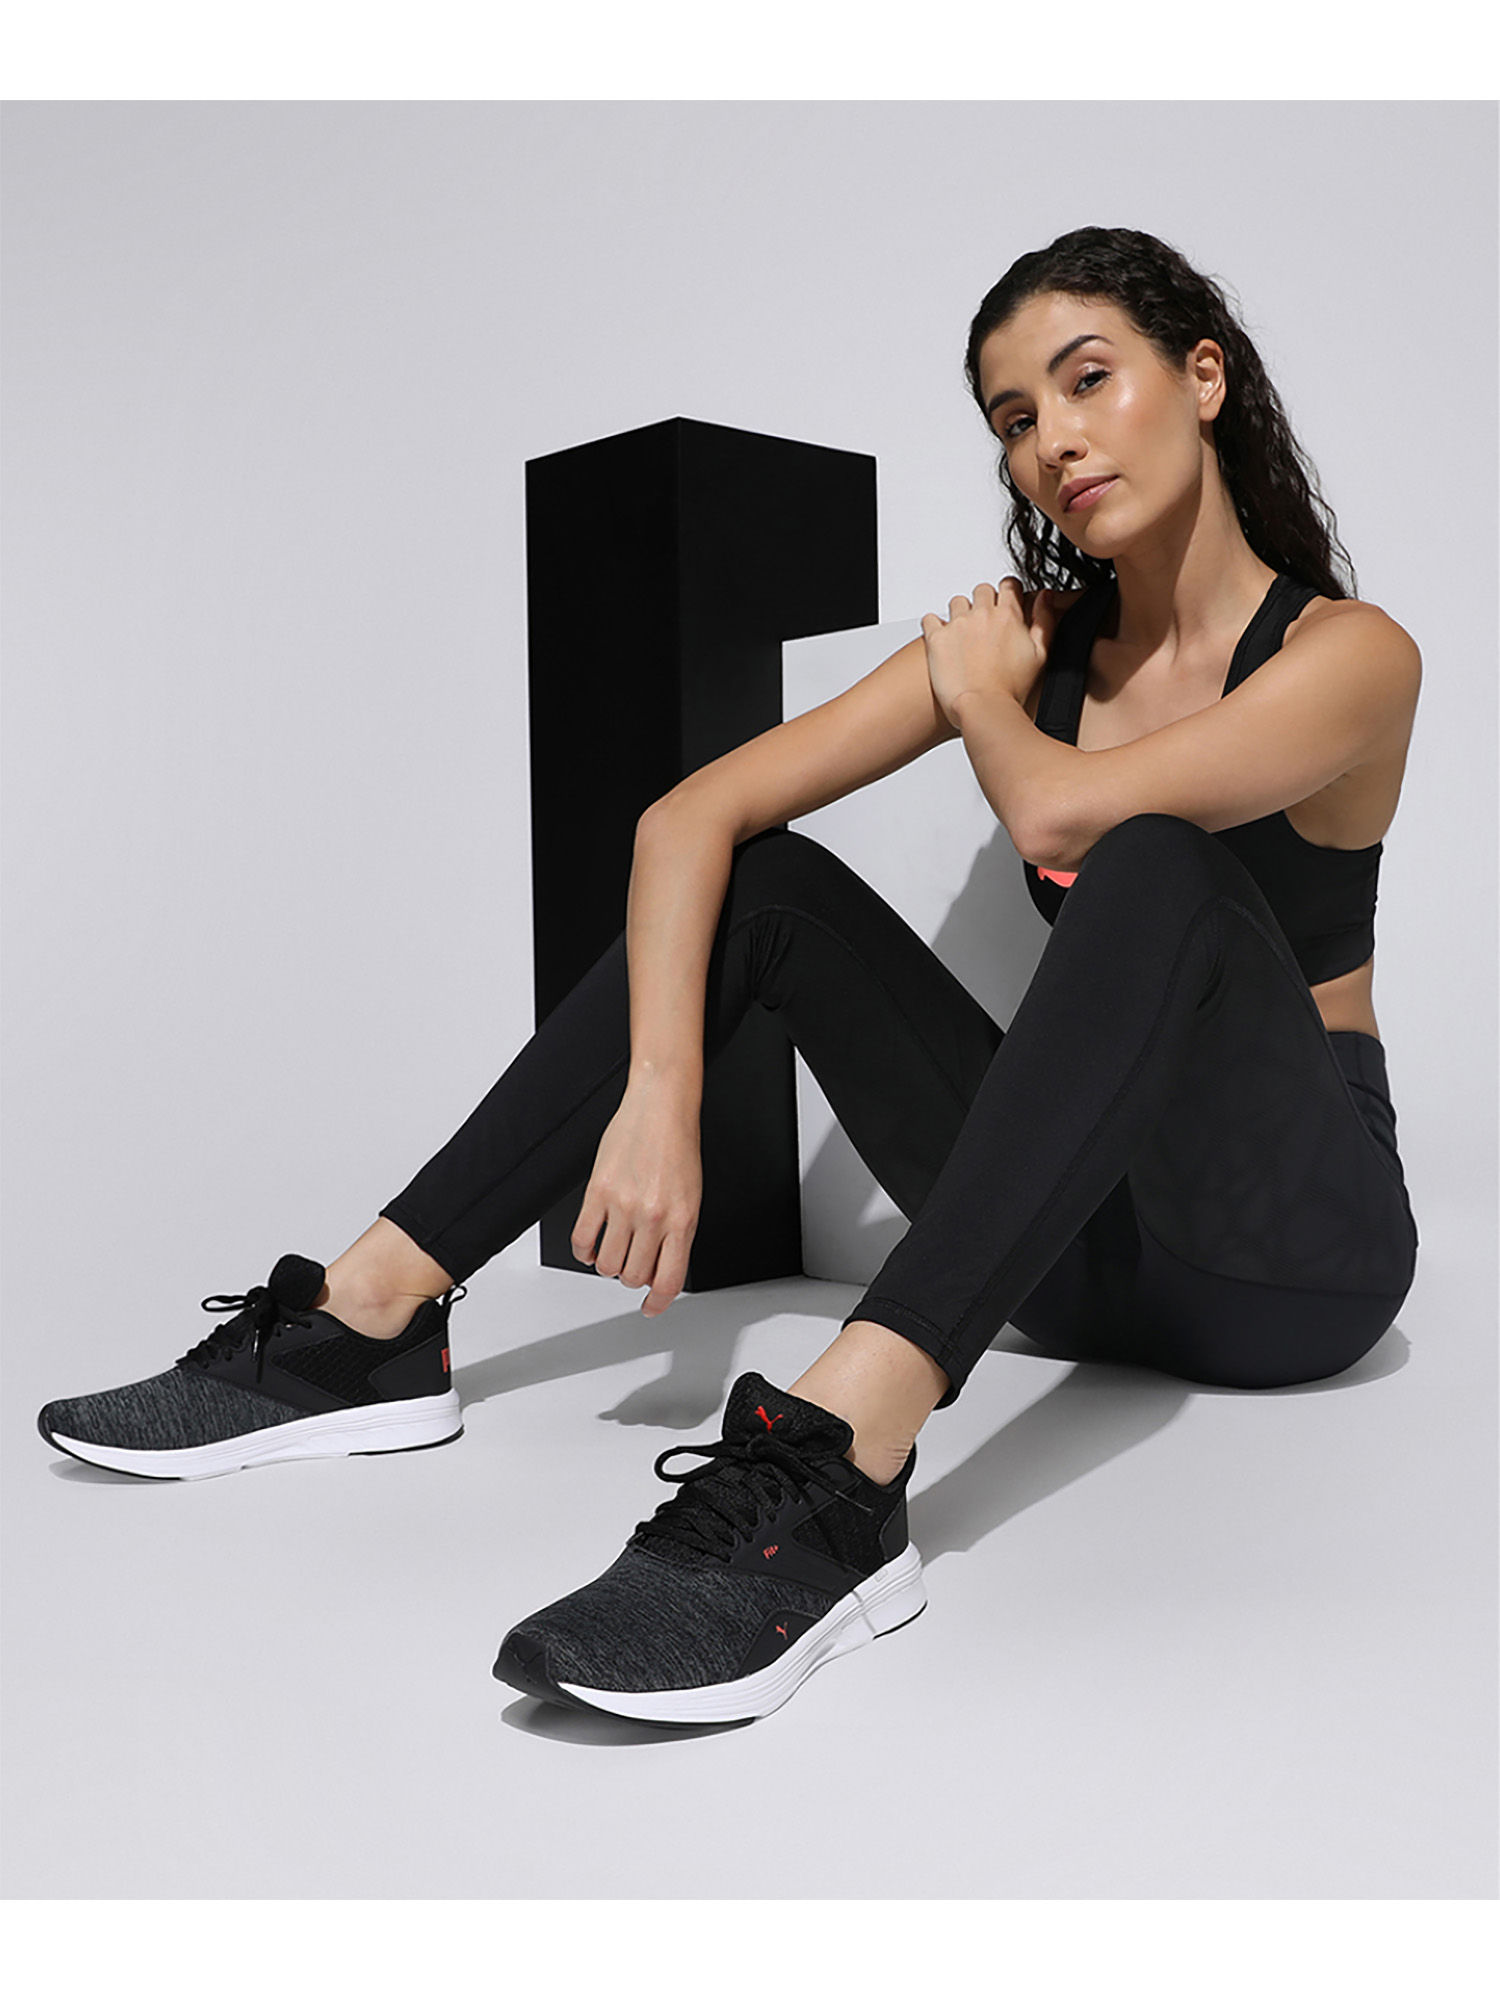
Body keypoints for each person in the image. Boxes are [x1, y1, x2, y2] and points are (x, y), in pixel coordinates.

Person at [38, 224, 1422, 1728]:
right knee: (769, 888)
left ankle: (843, 1464)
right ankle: (368, 1319)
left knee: (1154, 861)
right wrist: (661, 1089)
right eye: (1016, 418)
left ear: (1204, 376)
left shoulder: (1351, 655)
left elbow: (1059, 818)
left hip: (1295, 1260)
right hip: (1080, 1256)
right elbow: (686, 818)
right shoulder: (1031, 653)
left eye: (1089, 381)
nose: (1054, 443)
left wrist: (979, 701)